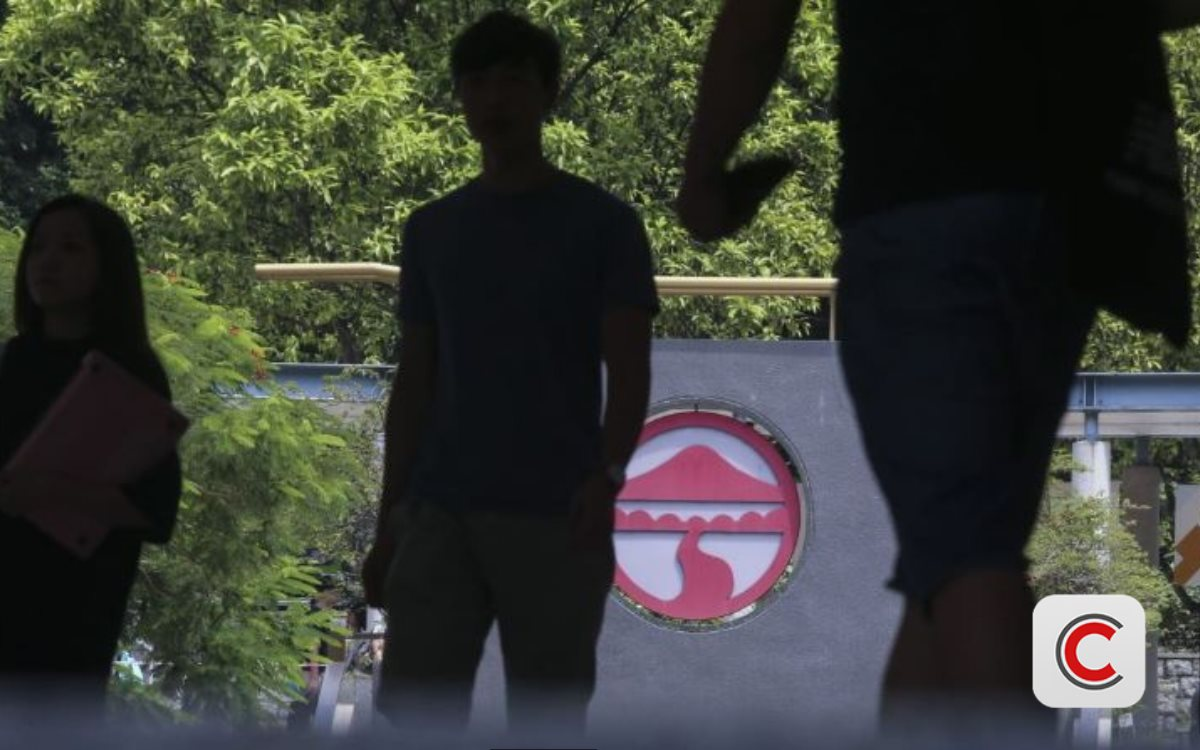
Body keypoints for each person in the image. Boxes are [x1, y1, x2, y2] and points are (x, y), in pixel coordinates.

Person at [677, 0, 1198, 730]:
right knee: (950, 555)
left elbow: (759, 20)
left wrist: (704, 171)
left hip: (924, 196)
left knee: (963, 554)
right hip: (1072, 210)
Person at [360, 10, 658, 736]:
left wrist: (607, 480)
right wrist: (391, 519)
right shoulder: (431, 229)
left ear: (549, 93)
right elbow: (416, 380)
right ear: (460, 97)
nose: (495, 98)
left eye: (514, 80)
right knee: (417, 719)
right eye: (478, 82)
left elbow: (629, 369)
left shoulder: (605, 225)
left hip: (558, 511)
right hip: (440, 510)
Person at [0, 195, 183, 715]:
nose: (47, 262)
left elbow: (154, 509)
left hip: (73, 605)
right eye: (38, 248)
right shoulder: (14, 361)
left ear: (108, 266)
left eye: (71, 248)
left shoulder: (130, 371)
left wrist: (47, 493)